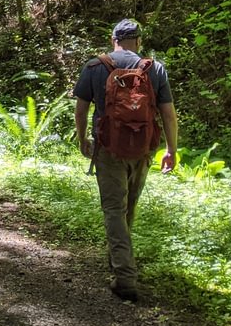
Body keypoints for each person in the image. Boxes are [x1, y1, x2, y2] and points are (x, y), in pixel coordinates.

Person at [73, 19, 178, 302]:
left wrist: (83, 138)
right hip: (142, 150)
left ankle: (124, 276)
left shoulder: (96, 66)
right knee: (128, 206)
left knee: (113, 208)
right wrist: (171, 149)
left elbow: (81, 109)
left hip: (108, 150)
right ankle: (119, 262)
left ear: (113, 39)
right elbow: (168, 114)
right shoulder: (154, 69)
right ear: (139, 41)